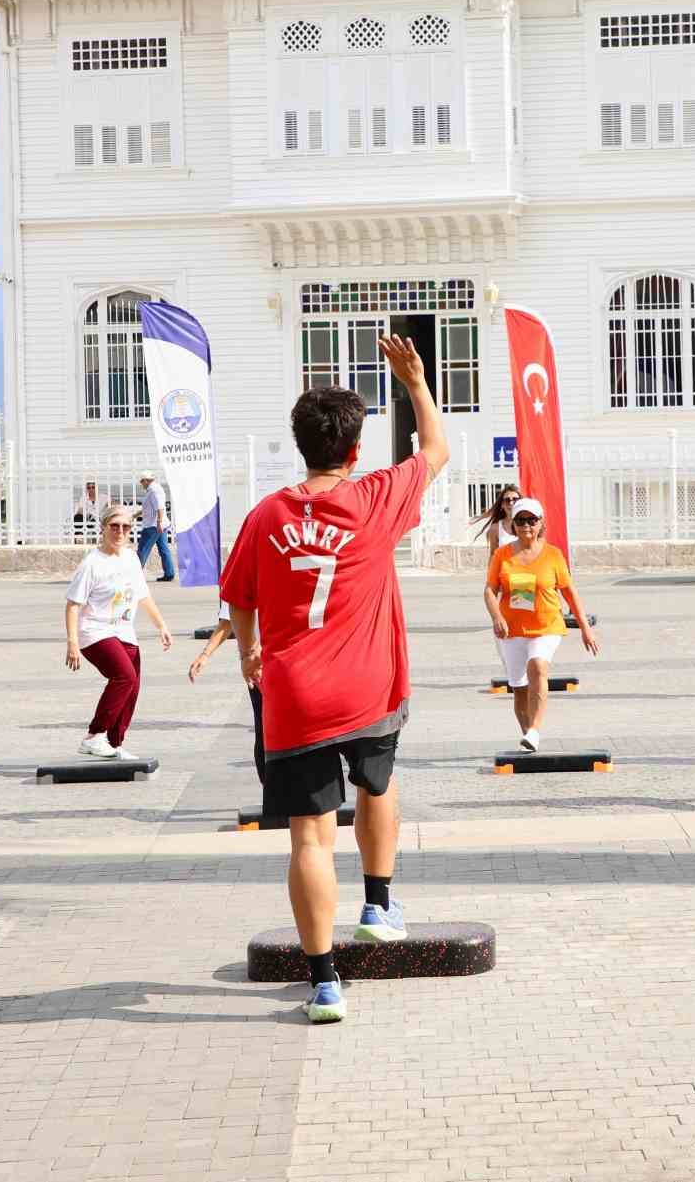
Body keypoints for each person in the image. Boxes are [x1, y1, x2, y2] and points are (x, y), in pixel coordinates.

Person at [220, 335, 448, 1025]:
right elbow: (434, 451)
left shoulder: (266, 515)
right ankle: (378, 903)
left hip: (294, 694)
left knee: (308, 838)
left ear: (300, 445)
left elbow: (240, 596)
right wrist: (415, 382)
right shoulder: (375, 499)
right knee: (379, 781)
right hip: (368, 685)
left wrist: (249, 652)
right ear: (354, 452)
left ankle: (324, 983)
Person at [484, 497, 599, 751]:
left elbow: (570, 592)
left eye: (532, 520)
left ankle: (535, 729)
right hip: (512, 629)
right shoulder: (502, 555)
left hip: (546, 625)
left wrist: (585, 628)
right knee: (519, 686)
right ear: (513, 524)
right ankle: (528, 737)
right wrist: (497, 617)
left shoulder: (553, 555)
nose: (527, 525)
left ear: (540, 524)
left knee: (537, 666)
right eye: (521, 520)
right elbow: (490, 591)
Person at [64, 502, 173, 759]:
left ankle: (114, 743)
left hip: (124, 631)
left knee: (132, 688)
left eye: (126, 527)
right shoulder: (92, 563)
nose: (120, 532)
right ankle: (94, 735)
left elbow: (142, 595)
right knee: (125, 677)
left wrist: (161, 625)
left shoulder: (131, 558)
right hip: (95, 632)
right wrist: (72, 643)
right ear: (103, 528)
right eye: (114, 526)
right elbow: (72, 606)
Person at [190, 601, 263, 784]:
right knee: (264, 731)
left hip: (271, 661)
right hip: (261, 667)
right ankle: (272, 795)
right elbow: (228, 620)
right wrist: (205, 654)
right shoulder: (242, 575)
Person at [136, 472, 176, 583]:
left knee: (142, 550)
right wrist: (134, 516)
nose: (141, 484)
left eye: (141, 481)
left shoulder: (153, 491)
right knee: (163, 549)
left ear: (146, 480)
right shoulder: (154, 489)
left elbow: (160, 507)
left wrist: (158, 522)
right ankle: (169, 573)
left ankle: (134, 575)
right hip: (159, 525)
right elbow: (148, 508)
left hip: (153, 526)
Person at [474, 485, 522, 554]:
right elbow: (493, 555)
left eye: (515, 499)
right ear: (502, 504)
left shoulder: (530, 524)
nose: (511, 503)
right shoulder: (495, 528)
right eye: (507, 500)